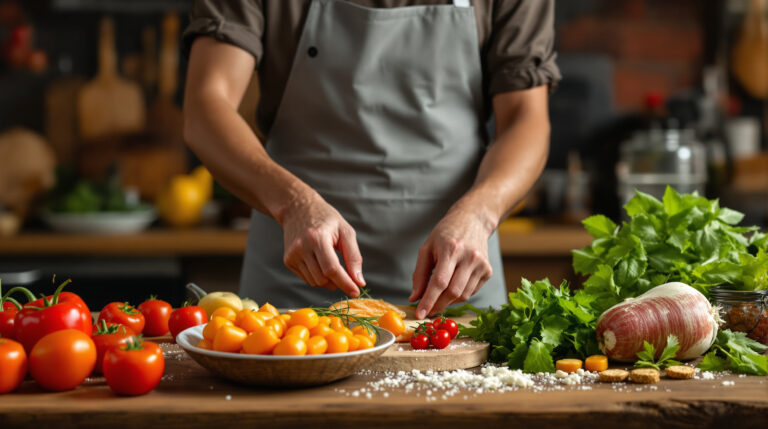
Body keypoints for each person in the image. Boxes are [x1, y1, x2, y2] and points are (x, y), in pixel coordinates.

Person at [182, 0, 559, 319]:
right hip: (294, 286)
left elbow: (527, 119)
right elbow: (205, 106)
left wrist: (479, 214)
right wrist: (295, 204)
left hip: (456, 286)